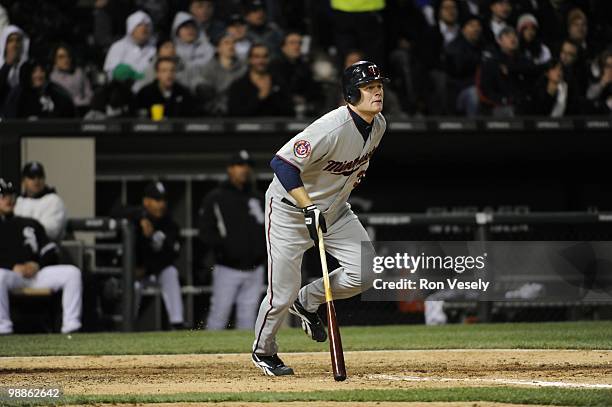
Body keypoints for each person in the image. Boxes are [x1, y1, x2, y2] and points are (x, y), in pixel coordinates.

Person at [251, 61, 387, 376]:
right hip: (289, 210)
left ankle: (308, 300)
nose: (377, 91)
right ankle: (264, 351)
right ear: (352, 94)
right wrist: (308, 205)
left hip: (335, 211)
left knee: (365, 272)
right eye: (369, 87)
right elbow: (282, 164)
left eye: (379, 85)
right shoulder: (331, 126)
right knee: (280, 293)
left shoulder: (378, 125)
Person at [0, 179, 82, 334]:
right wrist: (11, 266)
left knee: (72, 273)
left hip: (35, 274)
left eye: (10, 195)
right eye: (2, 196)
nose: (8, 199)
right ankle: (3, 328)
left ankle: (71, 327)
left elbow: (50, 250)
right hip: (10, 275)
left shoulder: (29, 222)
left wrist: (37, 265)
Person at [199, 150, 266, 330]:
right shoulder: (216, 197)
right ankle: (207, 359)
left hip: (255, 268)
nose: (244, 170)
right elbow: (206, 232)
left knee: (248, 319)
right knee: (218, 317)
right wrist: (225, 250)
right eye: (239, 165)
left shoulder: (258, 198)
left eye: (247, 166)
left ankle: (244, 358)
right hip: (227, 268)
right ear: (230, 169)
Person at [112, 181, 184, 329]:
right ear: (146, 201)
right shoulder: (134, 217)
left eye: (163, 200)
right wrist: (141, 216)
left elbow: (172, 254)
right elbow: (115, 213)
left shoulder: (168, 223)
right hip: (132, 274)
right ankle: (128, 326)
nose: (161, 204)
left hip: (153, 271)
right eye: (157, 200)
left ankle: (177, 322)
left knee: (170, 273)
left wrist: (148, 267)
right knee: (135, 286)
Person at [478, 27, 537, 117]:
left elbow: (533, 73)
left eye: (514, 36)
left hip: (523, 103)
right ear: (499, 41)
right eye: (508, 36)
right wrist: (503, 99)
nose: (512, 38)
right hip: (500, 105)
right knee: (511, 111)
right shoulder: (492, 63)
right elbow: (486, 89)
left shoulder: (525, 60)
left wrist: (510, 69)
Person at [227, 43, 291, 117]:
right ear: (249, 59)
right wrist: (260, 97)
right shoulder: (238, 85)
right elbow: (234, 115)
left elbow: (289, 112)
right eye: (256, 57)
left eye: (265, 56)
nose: (261, 61)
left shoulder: (279, 83)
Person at [269, 31, 320, 118]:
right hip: (279, 113)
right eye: (292, 43)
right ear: (283, 47)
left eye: (299, 43)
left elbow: (312, 89)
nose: (297, 46)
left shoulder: (305, 66)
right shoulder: (275, 66)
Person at [195, 31, 246, 115]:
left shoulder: (243, 68)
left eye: (233, 43)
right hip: (215, 113)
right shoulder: (208, 68)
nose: (231, 46)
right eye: (226, 43)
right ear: (218, 48)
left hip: (240, 110)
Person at [2, 60, 75, 119]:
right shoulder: (18, 94)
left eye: (42, 71)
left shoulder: (55, 91)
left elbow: (68, 113)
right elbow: (10, 118)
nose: (39, 75)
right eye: (34, 71)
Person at [103, 10, 156, 92]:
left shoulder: (155, 49)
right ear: (131, 28)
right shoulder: (118, 47)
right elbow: (110, 72)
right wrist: (128, 74)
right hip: (123, 93)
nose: (144, 28)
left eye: (147, 25)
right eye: (139, 25)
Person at [14, 162, 67, 242]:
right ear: (24, 181)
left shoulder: (53, 201)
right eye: (32, 177)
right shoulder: (18, 202)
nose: (36, 180)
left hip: (45, 250)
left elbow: (51, 231)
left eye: (40, 176)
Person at [445, 15, 483, 116]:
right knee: (474, 94)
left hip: (483, 88)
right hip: (460, 91)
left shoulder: (483, 46)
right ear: (463, 29)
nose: (476, 29)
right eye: (472, 25)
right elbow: (457, 72)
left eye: (478, 26)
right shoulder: (454, 47)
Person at [50, 43, 93, 114]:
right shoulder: (52, 77)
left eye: (68, 56)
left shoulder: (79, 72)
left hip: (82, 111)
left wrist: (82, 102)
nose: (65, 60)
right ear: (55, 60)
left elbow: (89, 95)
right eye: (61, 57)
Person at [0, 25, 29, 107]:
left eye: (18, 41)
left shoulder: (27, 67)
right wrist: (7, 65)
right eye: (10, 41)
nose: (14, 45)